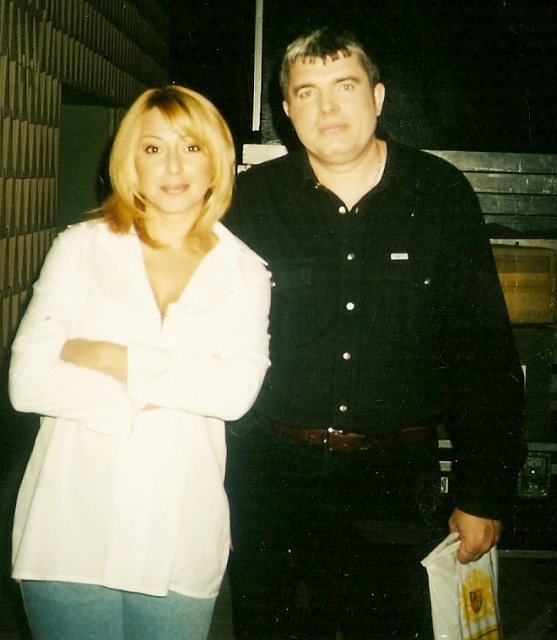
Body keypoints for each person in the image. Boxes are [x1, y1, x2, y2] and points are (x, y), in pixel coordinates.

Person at [224, 28, 526, 639]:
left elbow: (484, 355)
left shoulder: (439, 193)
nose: (327, 108)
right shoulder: (248, 201)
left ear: (378, 96)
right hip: (272, 482)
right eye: (307, 92)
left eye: (345, 86)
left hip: (396, 487)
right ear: (287, 112)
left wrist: (483, 493)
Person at [9, 85, 271, 640]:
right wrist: (166, 390)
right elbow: (27, 383)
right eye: (153, 148)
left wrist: (113, 357)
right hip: (70, 527)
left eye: (191, 147)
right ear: (130, 161)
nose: (173, 166)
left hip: (179, 533)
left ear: (216, 160)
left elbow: (234, 394)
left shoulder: (245, 271)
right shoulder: (80, 248)